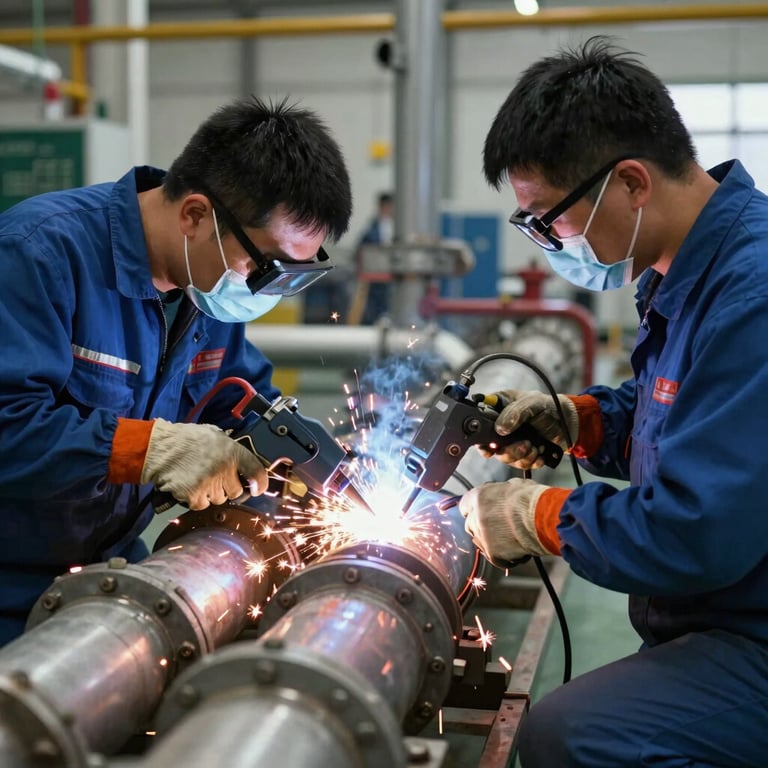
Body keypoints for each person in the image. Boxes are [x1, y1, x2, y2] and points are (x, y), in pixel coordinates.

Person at [460, 36, 768, 767]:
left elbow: (693, 530)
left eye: (550, 219)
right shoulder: (688, 267)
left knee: (572, 735)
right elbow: (685, 417)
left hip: (753, 626)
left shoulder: (753, 291)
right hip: (726, 610)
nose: (545, 242)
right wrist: (583, 422)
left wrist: (536, 517)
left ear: (631, 182)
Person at [0, 96, 351, 645]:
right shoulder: (37, 254)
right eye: (265, 269)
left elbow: (239, 400)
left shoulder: (204, 289)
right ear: (194, 215)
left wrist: (299, 465)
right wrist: (151, 450)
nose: (263, 294)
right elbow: (8, 426)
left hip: (106, 572)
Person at [348, 191, 394, 325]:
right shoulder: (371, 229)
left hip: (390, 277)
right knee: (371, 309)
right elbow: (359, 250)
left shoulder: (397, 227)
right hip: (373, 278)